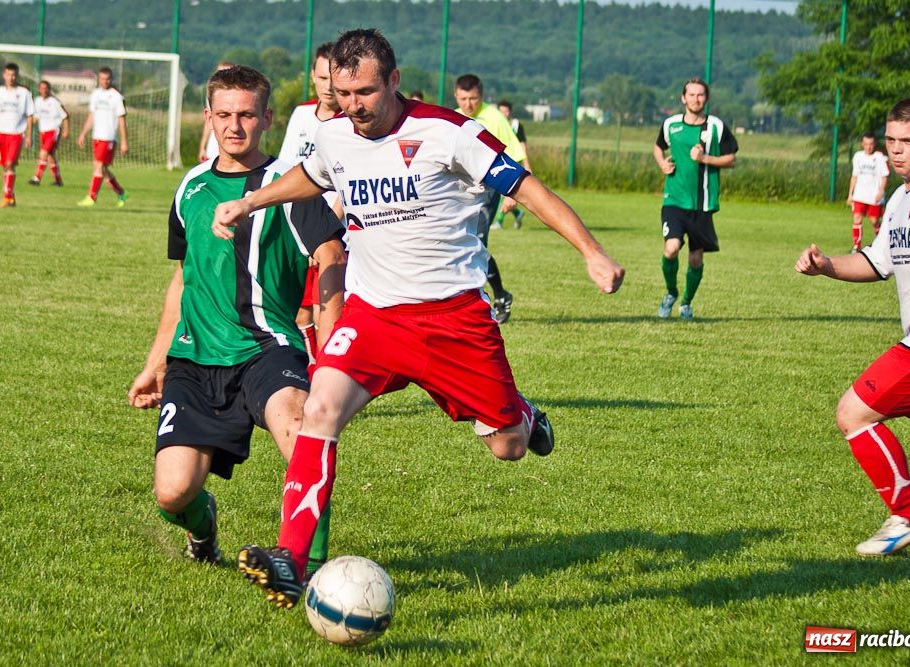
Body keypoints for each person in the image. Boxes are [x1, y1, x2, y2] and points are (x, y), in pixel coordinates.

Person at [212, 28, 624, 609]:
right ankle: (292, 560)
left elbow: (527, 189)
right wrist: (252, 200)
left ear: (395, 81)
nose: (352, 105)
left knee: (505, 445)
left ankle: (525, 416)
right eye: (343, 91)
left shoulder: (448, 133)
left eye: (365, 92)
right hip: (373, 315)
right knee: (319, 410)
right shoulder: (334, 135)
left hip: (454, 320)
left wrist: (591, 252)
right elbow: (315, 174)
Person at [127, 65, 346, 571]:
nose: (234, 126)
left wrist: (333, 352)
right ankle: (203, 531)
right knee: (173, 493)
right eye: (223, 114)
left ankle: (306, 567)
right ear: (207, 116)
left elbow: (331, 258)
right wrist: (154, 362)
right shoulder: (190, 187)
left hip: (267, 350)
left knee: (303, 436)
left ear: (267, 117)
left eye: (247, 114)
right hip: (195, 358)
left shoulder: (290, 187)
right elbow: (185, 278)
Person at [794, 98, 910, 556]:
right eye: (891, 140)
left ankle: (908, 515)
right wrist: (827, 265)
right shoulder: (900, 197)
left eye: (907, 141)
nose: (895, 150)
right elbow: (876, 263)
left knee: (854, 412)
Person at [278, 42, 346, 372]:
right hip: (298, 221)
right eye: (321, 78)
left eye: (333, 79)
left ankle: (331, 376)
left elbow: (348, 185)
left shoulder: (350, 123)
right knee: (302, 311)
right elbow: (287, 167)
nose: (328, 87)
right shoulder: (302, 115)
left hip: (333, 229)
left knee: (327, 307)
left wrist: (324, 228)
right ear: (313, 77)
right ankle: (315, 368)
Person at [652, 76, 738, 320]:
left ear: (706, 99)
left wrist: (705, 159)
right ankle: (671, 293)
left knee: (696, 259)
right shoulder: (670, 125)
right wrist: (661, 163)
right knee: (671, 248)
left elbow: (731, 159)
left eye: (700, 95)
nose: (696, 99)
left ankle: (686, 303)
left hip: (702, 204)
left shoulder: (715, 127)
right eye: (691, 94)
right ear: (683, 98)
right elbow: (658, 147)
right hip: (674, 200)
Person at [454, 74, 529, 324]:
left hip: (487, 191)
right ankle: (499, 294)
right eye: (463, 99)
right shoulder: (452, 118)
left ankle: (485, 300)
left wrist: (512, 193)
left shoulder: (495, 118)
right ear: (456, 97)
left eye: (473, 98)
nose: (468, 104)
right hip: (458, 193)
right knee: (461, 244)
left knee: (477, 243)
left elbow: (515, 154)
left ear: (481, 96)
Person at [0, 63, 34, 207]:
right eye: (8, 74)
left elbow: (30, 115)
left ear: (17, 75)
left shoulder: (24, 93)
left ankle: (6, 196)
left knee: (10, 163)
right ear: (4, 75)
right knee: (5, 166)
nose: (11, 77)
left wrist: (29, 135)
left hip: (16, 134)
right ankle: (10, 196)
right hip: (0, 134)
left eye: (14, 75)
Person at [76, 67, 129, 207]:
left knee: (98, 166)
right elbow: (92, 116)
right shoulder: (95, 95)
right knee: (102, 168)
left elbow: (122, 120)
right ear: (98, 79)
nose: (105, 81)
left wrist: (124, 142)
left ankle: (91, 197)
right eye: (102, 79)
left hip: (109, 137)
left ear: (111, 79)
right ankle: (121, 193)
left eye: (108, 79)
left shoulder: (116, 96)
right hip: (97, 137)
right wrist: (83, 133)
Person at [847, 132, 890, 252]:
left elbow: (885, 176)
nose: (868, 147)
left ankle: (881, 243)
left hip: (874, 196)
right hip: (859, 195)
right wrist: (850, 194)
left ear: (874, 144)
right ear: (862, 144)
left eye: (871, 144)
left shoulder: (880, 157)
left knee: (874, 221)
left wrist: (880, 192)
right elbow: (854, 176)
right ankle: (857, 246)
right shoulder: (858, 156)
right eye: (866, 144)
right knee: (857, 219)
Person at [495, 99, 528, 230]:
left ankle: (499, 221)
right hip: (499, 160)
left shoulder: (516, 125)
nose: (504, 114)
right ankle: (518, 213)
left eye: (506, 111)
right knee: (502, 192)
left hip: (512, 161)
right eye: (501, 111)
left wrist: (526, 163)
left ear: (510, 112)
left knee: (504, 191)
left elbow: (522, 144)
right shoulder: (495, 123)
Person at [29, 80, 69, 187]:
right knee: (50, 157)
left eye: (46, 88)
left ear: (49, 89)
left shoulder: (55, 102)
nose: (44, 90)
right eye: (41, 88)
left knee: (43, 154)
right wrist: (27, 125)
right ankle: (58, 180)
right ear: (39, 89)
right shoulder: (37, 101)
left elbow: (65, 116)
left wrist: (66, 131)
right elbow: (36, 117)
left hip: (53, 131)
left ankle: (37, 178)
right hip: (43, 132)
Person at [198, 61, 234, 163]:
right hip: (214, 146)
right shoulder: (212, 94)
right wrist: (202, 147)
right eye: (219, 72)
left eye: (226, 72)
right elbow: (208, 122)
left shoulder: (240, 96)